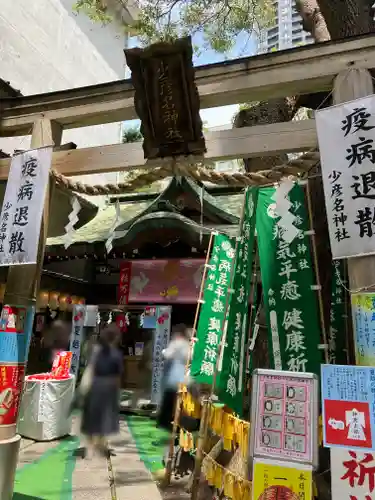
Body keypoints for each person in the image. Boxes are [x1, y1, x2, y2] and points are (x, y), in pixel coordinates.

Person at [80, 323, 122, 457]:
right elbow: (117, 376)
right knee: (105, 419)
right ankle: (101, 445)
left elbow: (90, 368)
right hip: (108, 388)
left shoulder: (95, 351)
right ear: (115, 338)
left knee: (92, 418)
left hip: (94, 386)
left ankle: (90, 448)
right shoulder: (116, 354)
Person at [157, 324, 191, 432]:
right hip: (178, 377)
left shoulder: (178, 343)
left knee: (169, 401)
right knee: (172, 401)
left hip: (173, 377)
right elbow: (189, 356)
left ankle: (165, 422)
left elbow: (166, 354)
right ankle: (167, 422)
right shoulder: (185, 344)